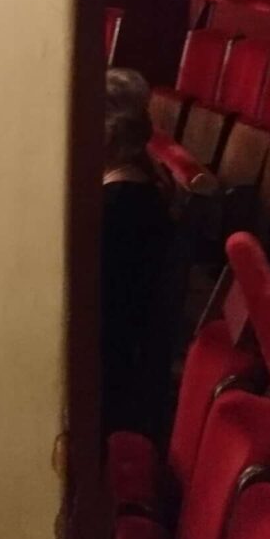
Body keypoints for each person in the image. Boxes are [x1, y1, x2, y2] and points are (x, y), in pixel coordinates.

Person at [102, 69, 175, 440]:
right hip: (118, 357)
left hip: (110, 375)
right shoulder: (135, 191)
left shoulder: (120, 207)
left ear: (107, 134)